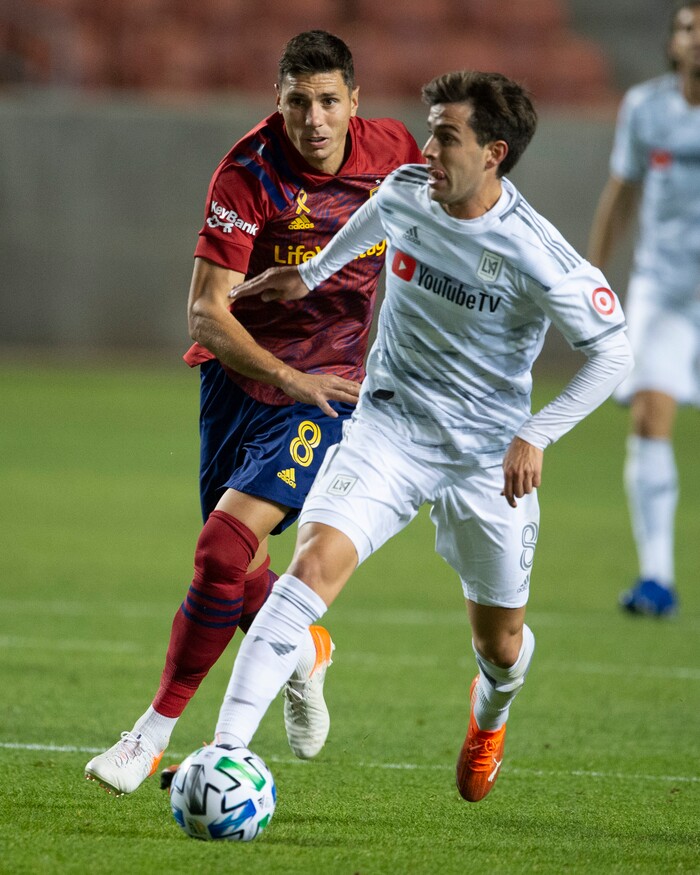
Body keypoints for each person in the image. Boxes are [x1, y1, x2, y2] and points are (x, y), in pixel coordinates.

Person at [192, 69, 633, 804]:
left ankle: (489, 717)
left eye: (446, 136)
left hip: (486, 458)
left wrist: (538, 433)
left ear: (493, 153)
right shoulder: (405, 190)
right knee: (308, 570)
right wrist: (310, 275)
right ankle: (226, 750)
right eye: (430, 130)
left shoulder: (536, 252)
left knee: (500, 646)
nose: (426, 147)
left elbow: (613, 350)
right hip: (388, 426)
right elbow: (375, 219)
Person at [84, 29, 423, 797]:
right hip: (241, 381)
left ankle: (152, 732)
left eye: (329, 100)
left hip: (331, 389)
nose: (314, 118)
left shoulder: (396, 151)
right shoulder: (248, 173)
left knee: (220, 547)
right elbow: (206, 315)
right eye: (298, 101)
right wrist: (283, 376)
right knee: (231, 575)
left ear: (355, 104)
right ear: (278, 102)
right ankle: (307, 651)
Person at [587, 1, 700, 618]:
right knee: (650, 416)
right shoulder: (647, 108)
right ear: (674, 42)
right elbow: (621, 193)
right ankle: (657, 577)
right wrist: (591, 277)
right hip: (664, 290)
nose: (698, 40)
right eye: (689, 29)